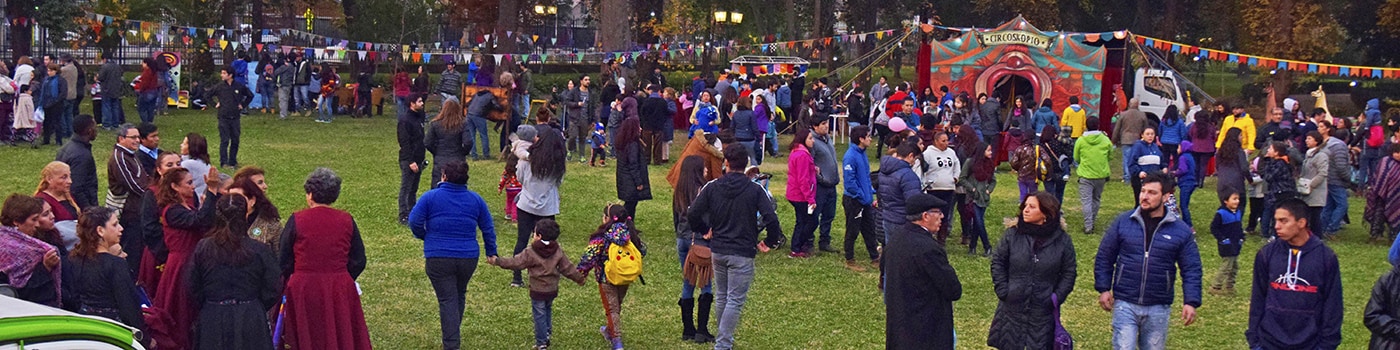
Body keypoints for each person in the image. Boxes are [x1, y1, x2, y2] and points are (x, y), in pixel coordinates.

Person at [687, 145, 783, 350]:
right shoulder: (755, 189)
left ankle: (724, 342)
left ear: (726, 163)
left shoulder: (713, 186)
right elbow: (771, 218)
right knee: (735, 300)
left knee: (723, 296)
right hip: (742, 251)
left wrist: (704, 229)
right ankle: (723, 344)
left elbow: (693, 212)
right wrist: (770, 241)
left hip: (719, 249)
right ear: (746, 164)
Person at [1094, 172, 1202, 350]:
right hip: (1125, 302)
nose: (1144, 196)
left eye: (1152, 192)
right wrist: (1104, 288)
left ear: (1166, 196)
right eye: (1143, 191)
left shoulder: (1180, 231)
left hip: (1158, 305)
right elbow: (1105, 256)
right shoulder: (1123, 222)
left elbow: (1191, 268)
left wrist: (1191, 301)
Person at [408, 161, 498, 350]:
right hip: (467, 256)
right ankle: (453, 332)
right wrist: (491, 251)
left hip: (438, 256)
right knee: (458, 293)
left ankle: (451, 343)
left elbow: (414, 221)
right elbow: (488, 227)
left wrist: (425, 236)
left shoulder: (430, 197)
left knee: (447, 299)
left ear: (444, 177)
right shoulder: (475, 199)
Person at [278, 168, 371, 350]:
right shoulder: (346, 219)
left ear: (310, 194)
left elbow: (284, 257)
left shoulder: (297, 219)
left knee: (308, 333)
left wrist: (294, 275)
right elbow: (359, 258)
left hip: (304, 286)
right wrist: (343, 276)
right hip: (338, 285)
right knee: (340, 330)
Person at [1246, 198, 1343, 349]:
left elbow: (1333, 305)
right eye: (1276, 220)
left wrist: (1326, 345)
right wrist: (1255, 341)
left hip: (1310, 343)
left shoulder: (1326, 257)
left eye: (1283, 221)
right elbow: (1258, 297)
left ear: (1301, 223)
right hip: (1269, 342)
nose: (1277, 226)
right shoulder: (1266, 254)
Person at [188, 195, 281, 350]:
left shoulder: (204, 248)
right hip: (248, 315)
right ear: (245, 215)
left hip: (215, 314)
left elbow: (192, 285)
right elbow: (273, 285)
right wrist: (255, 305)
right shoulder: (258, 250)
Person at [987, 191, 1076, 349]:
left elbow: (1069, 272)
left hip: (1043, 311)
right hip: (1011, 309)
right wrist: (1003, 290)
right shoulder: (1012, 235)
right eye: (1025, 206)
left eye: (1032, 207)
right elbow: (998, 262)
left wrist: (1056, 297)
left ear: (1046, 214)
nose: (1025, 210)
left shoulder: (1062, 240)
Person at [152, 167, 221, 350]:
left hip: (192, 260)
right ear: (174, 186)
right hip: (182, 264)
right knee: (181, 309)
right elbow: (200, 220)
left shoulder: (186, 206)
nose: (193, 186)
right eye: (188, 183)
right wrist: (212, 190)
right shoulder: (172, 210)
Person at [488, 218, 585, 349]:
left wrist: (498, 261)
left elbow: (515, 263)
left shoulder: (530, 252)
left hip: (537, 290)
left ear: (538, 236)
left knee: (539, 314)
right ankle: (547, 332)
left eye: (534, 233)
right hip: (552, 289)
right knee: (547, 309)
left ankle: (541, 342)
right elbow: (567, 268)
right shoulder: (558, 250)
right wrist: (579, 278)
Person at [884, 193, 962, 349]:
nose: (942, 217)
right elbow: (953, 289)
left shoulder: (895, 239)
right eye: (938, 213)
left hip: (899, 322)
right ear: (925, 216)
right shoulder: (928, 248)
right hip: (925, 327)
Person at [63, 206, 146, 337]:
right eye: (114, 224)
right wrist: (143, 337)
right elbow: (128, 306)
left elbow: (74, 296)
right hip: (113, 329)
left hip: (86, 325)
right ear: (100, 231)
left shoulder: (75, 259)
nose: (121, 228)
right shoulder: (115, 264)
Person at [576, 204, 647, 350]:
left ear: (607, 218)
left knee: (612, 309)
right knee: (616, 305)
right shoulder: (630, 234)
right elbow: (642, 251)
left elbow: (589, 256)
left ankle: (617, 341)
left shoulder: (601, 237)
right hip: (625, 275)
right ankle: (609, 330)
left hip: (606, 277)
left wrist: (580, 273)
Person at [512, 127, 567, 287]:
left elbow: (520, 178)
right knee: (548, 241)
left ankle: (517, 277)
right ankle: (547, 271)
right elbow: (558, 183)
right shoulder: (557, 165)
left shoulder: (525, 161)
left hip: (526, 204)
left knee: (522, 240)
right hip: (547, 207)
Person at [1, 194, 61, 307]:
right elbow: (20, 291)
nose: (37, 224)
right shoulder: (14, 249)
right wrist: (45, 267)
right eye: (33, 219)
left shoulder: (28, 241)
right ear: (16, 221)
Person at [108, 124, 150, 274]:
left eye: (138, 137)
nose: (137, 140)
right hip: (129, 212)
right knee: (132, 249)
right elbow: (132, 185)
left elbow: (143, 177)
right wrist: (150, 197)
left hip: (137, 210)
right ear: (121, 138)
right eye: (133, 137)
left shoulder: (130, 154)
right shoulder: (119, 158)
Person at [842, 126, 879, 270]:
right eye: (868, 136)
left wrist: (870, 192)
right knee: (853, 229)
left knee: (869, 228)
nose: (870, 139)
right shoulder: (850, 156)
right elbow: (850, 182)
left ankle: (874, 256)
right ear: (861, 139)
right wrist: (861, 196)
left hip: (865, 199)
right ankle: (849, 259)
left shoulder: (862, 154)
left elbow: (865, 177)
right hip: (854, 200)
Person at [1072, 118, 1114, 234]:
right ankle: (1092, 221)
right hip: (1101, 174)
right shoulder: (1105, 140)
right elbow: (1111, 156)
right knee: (1096, 199)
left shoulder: (1081, 140)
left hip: (1085, 174)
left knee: (1086, 201)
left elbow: (1076, 157)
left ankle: (1088, 225)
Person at [209, 67, 253, 169]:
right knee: (224, 140)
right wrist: (214, 104)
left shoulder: (239, 86)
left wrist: (243, 105)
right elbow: (208, 94)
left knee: (235, 140)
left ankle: (233, 161)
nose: (222, 75)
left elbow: (250, 95)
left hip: (235, 117)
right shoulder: (219, 87)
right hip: (223, 117)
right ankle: (224, 162)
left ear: (230, 75)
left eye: (224, 73)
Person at [809, 116, 841, 253]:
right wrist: (819, 177)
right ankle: (809, 240)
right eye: (823, 123)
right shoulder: (812, 142)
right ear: (815, 126)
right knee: (815, 215)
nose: (826, 126)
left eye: (827, 123)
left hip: (832, 183)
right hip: (820, 184)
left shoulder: (828, 139)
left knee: (829, 214)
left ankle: (825, 240)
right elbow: (810, 163)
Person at [921, 131, 960, 242]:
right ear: (936, 141)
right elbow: (923, 170)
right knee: (932, 214)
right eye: (943, 141)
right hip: (933, 189)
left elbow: (957, 165)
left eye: (947, 140)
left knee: (945, 214)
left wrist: (955, 177)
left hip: (948, 188)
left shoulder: (951, 152)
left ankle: (941, 239)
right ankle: (929, 236)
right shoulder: (928, 154)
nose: (946, 143)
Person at [879, 141, 926, 233]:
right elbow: (914, 201)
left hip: (887, 217)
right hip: (903, 220)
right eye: (915, 159)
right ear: (910, 156)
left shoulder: (884, 171)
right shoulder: (908, 175)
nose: (914, 162)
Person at [395, 92, 428, 222]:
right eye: (419, 101)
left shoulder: (419, 117)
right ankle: (403, 214)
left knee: (414, 188)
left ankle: (412, 210)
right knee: (406, 187)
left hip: (419, 157)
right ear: (412, 104)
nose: (422, 103)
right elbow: (404, 142)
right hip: (409, 159)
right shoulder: (405, 121)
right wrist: (410, 161)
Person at [786, 128, 818, 258]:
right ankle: (797, 246)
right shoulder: (802, 155)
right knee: (808, 221)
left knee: (804, 220)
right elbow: (802, 179)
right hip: (800, 195)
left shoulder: (797, 152)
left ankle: (798, 245)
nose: (813, 141)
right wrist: (810, 198)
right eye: (810, 138)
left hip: (796, 193)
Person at [960, 142, 997, 256]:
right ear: (982, 151)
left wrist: (989, 190)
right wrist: (972, 189)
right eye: (988, 150)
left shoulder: (989, 164)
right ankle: (987, 247)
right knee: (979, 222)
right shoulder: (970, 162)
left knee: (977, 223)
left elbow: (993, 180)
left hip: (984, 198)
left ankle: (972, 247)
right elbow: (962, 178)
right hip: (973, 198)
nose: (991, 153)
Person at [34, 161, 78, 252]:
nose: (70, 181)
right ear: (49, 179)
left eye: (70, 176)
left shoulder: (67, 194)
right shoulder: (43, 201)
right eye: (64, 177)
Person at [425, 96, 468, 189]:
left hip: (440, 159)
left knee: (437, 187)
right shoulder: (462, 124)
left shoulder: (435, 124)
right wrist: (462, 153)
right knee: (457, 187)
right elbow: (468, 142)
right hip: (457, 160)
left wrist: (436, 152)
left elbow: (428, 142)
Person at [56, 115, 98, 209]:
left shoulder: (66, 147)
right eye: (95, 127)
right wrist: (89, 210)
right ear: (89, 130)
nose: (96, 131)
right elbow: (76, 188)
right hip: (78, 207)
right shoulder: (82, 155)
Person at [1257, 142, 1298, 239]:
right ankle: (1271, 233)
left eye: (1270, 149)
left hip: (1281, 192)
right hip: (1277, 191)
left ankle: (1275, 234)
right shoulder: (1276, 162)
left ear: (1277, 152)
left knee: (1278, 213)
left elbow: (1269, 177)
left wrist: (1266, 162)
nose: (1268, 150)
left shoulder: (1280, 163)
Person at [614, 117, 652, 221]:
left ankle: (629, 225)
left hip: (625, 179)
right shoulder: (632, 145)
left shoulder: (623, 142)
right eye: (638, 127)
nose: (640, 129)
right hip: (630, 180)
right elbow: (633, 164)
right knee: (630, 205)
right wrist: (638, 182)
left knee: (631, 204)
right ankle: (624, 224)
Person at [1318, 120, 1351, 237]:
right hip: (1336, 180)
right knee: (1342, 205)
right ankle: (1331, 229)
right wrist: (1349, 179)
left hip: (1327, 179)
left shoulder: (1327, 144)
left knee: (1328, 205)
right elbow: (1341, 166)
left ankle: (1322, 228)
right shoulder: (1339, 146)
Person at [1208, 192, 1245, 295]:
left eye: (1238, 199)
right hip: (1226, 245)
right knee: (1226, 266)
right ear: (1226, 201)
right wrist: (1222, 239)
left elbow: (1239, 227)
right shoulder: (1221, 213)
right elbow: (1214, 228)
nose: (1237, 201)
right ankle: (1216, 286)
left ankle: (1230, 286)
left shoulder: (1238, 212)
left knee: (1234, 266)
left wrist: (1241, 237)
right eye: (1234, 199)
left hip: (1236, 243)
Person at [1369, 144, 1400, 243]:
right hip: (1381, 194)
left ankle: (1393, 236)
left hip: (1397, 197)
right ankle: (1375, 234)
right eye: (1396, 153)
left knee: (1396, 215)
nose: (1398, 155)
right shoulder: (1385, 161)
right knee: (1379, 214)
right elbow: (1380, 176)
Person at [1302, 132, 1331, 235]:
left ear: (1316, 141)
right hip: (1306, 191)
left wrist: (1311, 185)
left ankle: (1317, 238)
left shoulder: (1321, 156)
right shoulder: (1309, 154)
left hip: (1316, 191)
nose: (1306, 140)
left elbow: (1322, 173)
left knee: (1315, 217)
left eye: (1309, 138)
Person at [1114, 98, 1150, 181]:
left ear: (1129, 104)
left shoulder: (1123, 114)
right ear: (1138, 104)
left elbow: (1117, 128)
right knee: (1136, 159)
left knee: (1126, 159)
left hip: (1126, 139)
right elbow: (1146, 128)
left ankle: (1127, 177)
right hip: (1137, 140)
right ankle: (1136, 175)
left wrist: (1114, 140)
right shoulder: (1142, 115)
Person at [1128, 128, 1165, 204]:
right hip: (1140, 180)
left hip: (1154, 179)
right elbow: (1131, 163)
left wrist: (1164, 167)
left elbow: (1161, 161)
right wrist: (1139, 172)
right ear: (1142, 135)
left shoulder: (1155, 147)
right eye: (1148, 134)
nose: (1150, 136)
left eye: (1152, 134)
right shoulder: (1138, 146)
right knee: (1141, 202)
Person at [464, 88, 502, 160]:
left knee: (472, 135)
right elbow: (496, 106)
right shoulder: (490, 96)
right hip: (479, 115)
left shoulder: (476, 94)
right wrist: (501, 108)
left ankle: (474, 155)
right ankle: (486, 155)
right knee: (483, 135)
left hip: (469, 114)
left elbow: (468, 104)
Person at [1039, 126, 1072, 204]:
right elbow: (1068, 157)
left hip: (1047, 172)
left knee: (1049, 194)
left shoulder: (1040, 145)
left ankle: (1050, 211)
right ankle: (1057, 211)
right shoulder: (1059, 144)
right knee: (1059, 194)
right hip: (1060, 172)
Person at [1216, 128, 1250, 205]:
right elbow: (1244, 168)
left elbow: (1217, 165)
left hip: (1222, 182)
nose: (1242, 138)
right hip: (1236, 183)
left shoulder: (1220, 151)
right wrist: (1250, 179)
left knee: (1226, 207)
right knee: (1239, 207)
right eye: (1241, 135)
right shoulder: (1239, 151)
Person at [640, 84, 670, 164]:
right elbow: (666, 113)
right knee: (658, 143)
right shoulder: (663, 101)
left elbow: (642, 112)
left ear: (650, 91)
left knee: (647, 143)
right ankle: (657, 160)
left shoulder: (646, 101)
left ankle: (646, 159)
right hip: (659, 125)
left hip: (648, 125)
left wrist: (643, 122)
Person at [38, 64, 66, 145]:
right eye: (48, 70)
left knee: (57, 122)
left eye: (51, 70)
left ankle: (58, 140)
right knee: (47, 122)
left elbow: (63, 93)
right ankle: (46, 139)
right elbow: (43, 91)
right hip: (46, 103)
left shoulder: (61, 80)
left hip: (56, 104)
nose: (49, 72)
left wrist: (56, 100)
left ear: (56, 71)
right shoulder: (46, 80)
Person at [1172, 141, 1198, 227]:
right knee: (1185, 204)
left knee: (1183, 206)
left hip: (1186, 183)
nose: (1177, 149)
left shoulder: (1182, 157)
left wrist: (1174, 173)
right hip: (1192, 182)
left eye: (1178, 147)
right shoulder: (1190, 157)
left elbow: (1183, 170)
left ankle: (1188, 225)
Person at [179, 133, 213, 199]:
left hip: (193, 198)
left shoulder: (187, 164)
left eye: (184, 144)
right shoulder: (205, 163)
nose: (181, 145)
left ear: (191, 147)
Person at [1010, 131, 1040, 201]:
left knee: (1023, 193)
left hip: (1022, 175)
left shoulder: (1020, 149)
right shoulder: (1036, 149)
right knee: (1033, 193)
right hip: (1033, 175)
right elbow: (1046, 160)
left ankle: (1022, 206)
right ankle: (1032, 205)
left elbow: (1013, 162)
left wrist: (1019, 168)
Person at [97, 56, 125, 129]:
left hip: (106, 89)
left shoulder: (105, 67)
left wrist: (97, 77)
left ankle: (107, 124)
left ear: (105, 59)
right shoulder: (117, 66)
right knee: (115, 107)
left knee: (106, 107)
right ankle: (115, 123)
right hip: (116, 89)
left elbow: (100, 77)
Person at [731, 97, 761, 164]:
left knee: (739, 159)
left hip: (737, 138)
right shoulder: (751, 114)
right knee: (753, 157)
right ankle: (754, 172)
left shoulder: (736, 113)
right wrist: (759, 138)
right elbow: (754, 128)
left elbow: (732, 127)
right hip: (749, 139)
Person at [133, 58, 161, 124]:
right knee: (150, 108)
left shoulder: (147, 72)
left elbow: (145, 83)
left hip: (147, 92)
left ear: (146, 64)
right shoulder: (154, 71)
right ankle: (150, 121)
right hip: (154, 91)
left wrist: (140, 89)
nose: (142, 64)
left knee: (141, 108)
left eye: (143, 63)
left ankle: (145, 122)